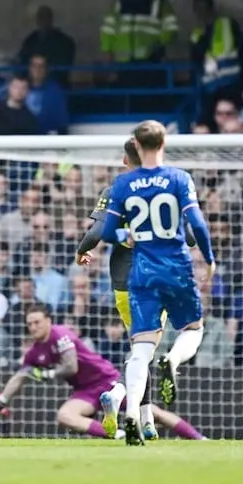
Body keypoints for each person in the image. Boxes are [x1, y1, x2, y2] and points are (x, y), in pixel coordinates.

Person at [75, 137, 198, 440]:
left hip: (124, 285)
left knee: (141, 349)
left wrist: (82, 250)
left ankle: (144, 419)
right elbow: (192, 237)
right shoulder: (169, 186)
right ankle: (121, 398)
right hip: (162, 278)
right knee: (146, 350)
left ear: (125, 160)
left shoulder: (114, 190)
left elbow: (96, 233)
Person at [100, 120, 215, 445]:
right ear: (164, 144)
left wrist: (128, 235)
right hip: (176, 267)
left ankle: (133, 413)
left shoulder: (122, 184)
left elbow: (107, 233)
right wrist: (208, 258)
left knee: (140, 348)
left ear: (135, 145)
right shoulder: (179, 178)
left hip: (142, 273)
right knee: (193, 329)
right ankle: (173, 361)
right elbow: (198, 225)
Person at [0, 304, 205, 441]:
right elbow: (20, 377)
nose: (33, 327)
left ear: (48, 321)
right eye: (30, 324)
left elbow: (71, 366)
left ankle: (199, 439)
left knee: (155, 413)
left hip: (108, 381)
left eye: (37, 322)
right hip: (85, 391)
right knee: (65, 416)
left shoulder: (60, 333)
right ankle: (119, 435)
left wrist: (48, 375)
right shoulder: (34, 352)